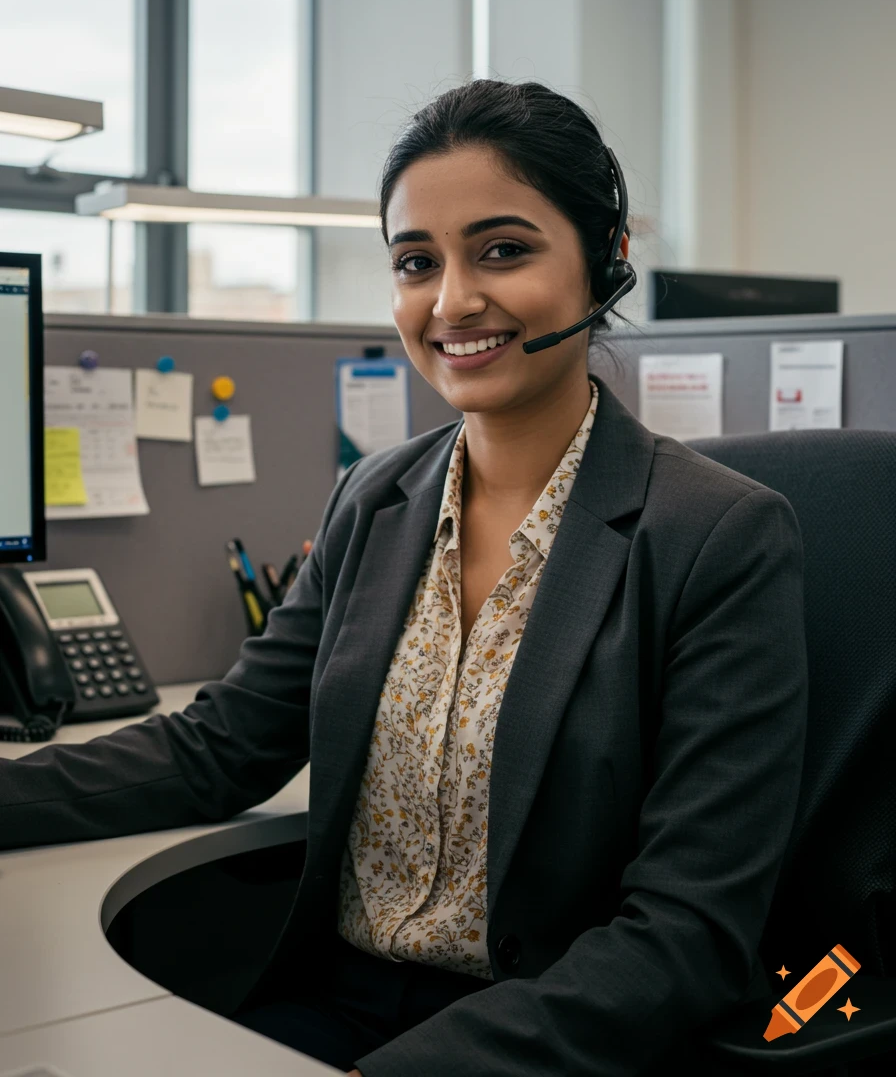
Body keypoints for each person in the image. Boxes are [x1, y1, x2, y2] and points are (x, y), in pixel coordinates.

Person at [0, 79, 808, 1077]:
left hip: (542, 1040)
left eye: (502, 250)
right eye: (415, 261)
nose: (451, 300)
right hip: (331, 1002)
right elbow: (220, 748)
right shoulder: (373, 498)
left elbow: (686, 935)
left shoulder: (713, 536)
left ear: (604, 263)